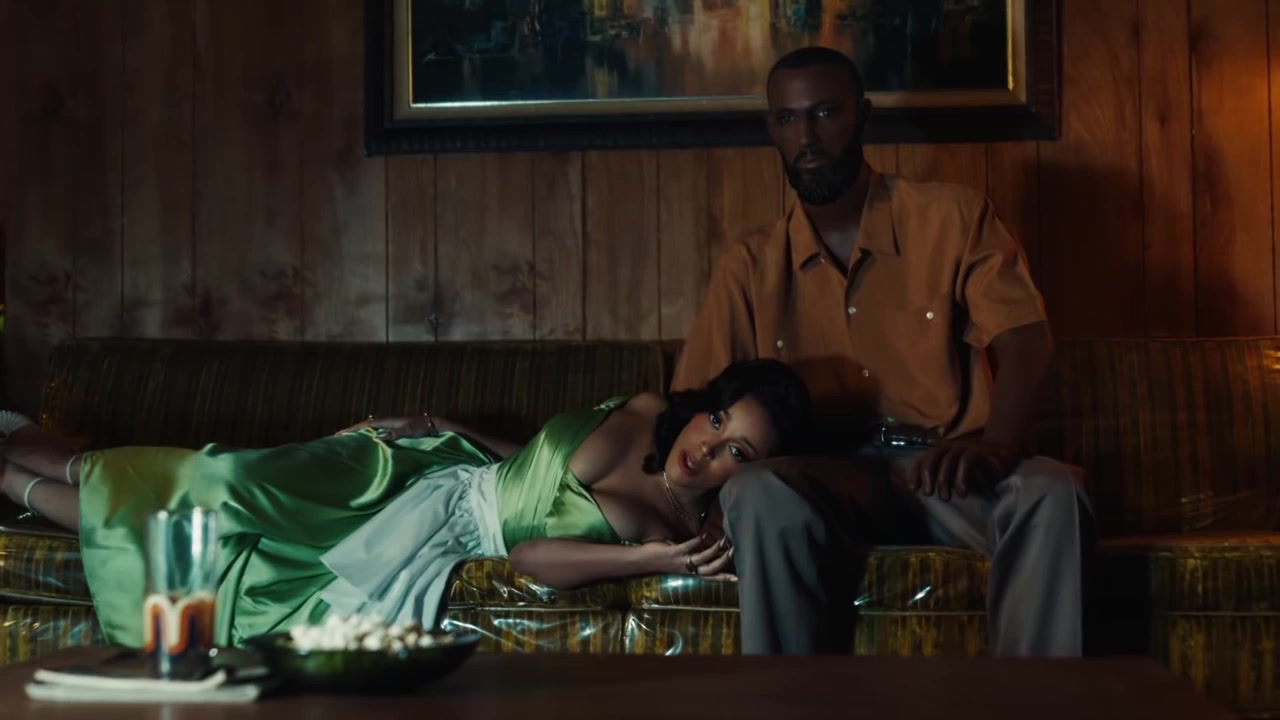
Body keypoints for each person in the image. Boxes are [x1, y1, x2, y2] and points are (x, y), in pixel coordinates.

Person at [672, 46, 1095, 657]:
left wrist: (996, 444)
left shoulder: (952, 217)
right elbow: (692, 402)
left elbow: (1026, 339)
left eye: (825, 113)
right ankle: (785, 700)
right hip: (823, 479)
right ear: (772, 130)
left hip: (949, 472)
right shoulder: (750, 265)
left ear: (863, 116)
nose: (807, 137)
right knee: (756, 492)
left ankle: (1037, 699)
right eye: (788, 119)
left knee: (1054, 492)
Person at [0, 358, 813, 649]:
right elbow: (535, 465)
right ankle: (33, 443)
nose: (708, 447)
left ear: (750, 472)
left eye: (737, 451)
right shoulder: (646, 406)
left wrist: (650, 560)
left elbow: (529, 555)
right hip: (425, 467)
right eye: (718, 421)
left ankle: (10, 476)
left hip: (429, 533)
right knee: (225, 478)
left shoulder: (673, 529)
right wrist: (439, 425)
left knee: (212, 540)